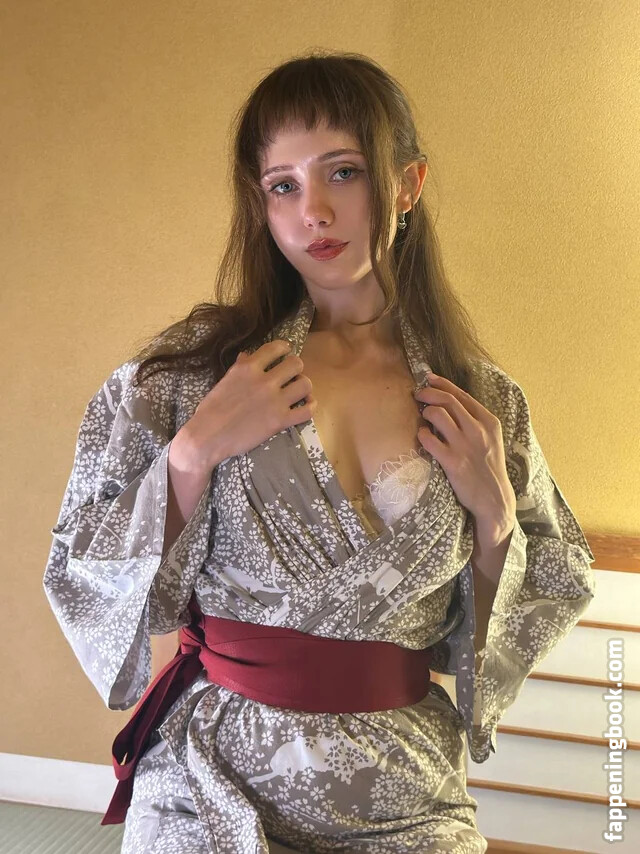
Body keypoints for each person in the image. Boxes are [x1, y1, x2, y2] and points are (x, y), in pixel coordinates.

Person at [43, 51, 596, 853]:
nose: (315, 212)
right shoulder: (191, 377)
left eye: (343, 172)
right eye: (283, 186)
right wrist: (192, 456)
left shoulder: (486, 403)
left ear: (406, 183)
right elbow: (81, 568)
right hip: (213, 771)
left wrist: (497, 518)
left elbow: (513, 615)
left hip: (403, 786)